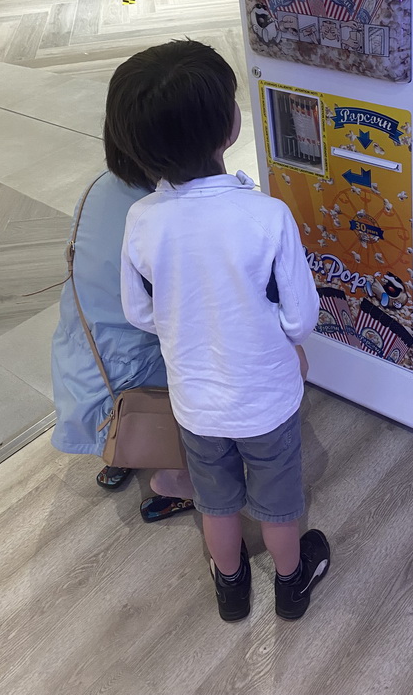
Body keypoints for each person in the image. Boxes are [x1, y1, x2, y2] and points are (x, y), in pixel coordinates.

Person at [107, 39, 329, 622]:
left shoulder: (141, 220)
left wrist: (186, 320)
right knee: (279, 505)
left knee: (217, 500)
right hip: (268, 401)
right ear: (229, 128)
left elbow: (139, 313)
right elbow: (300, 318)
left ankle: (230, 588)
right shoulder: (266, 215)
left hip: (197, 405)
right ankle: (291, 581)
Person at [50, 143, 195, 523]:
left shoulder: (98, 187)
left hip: (85, 356)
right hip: (135, 369)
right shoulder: (166, 214)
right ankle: (180, 478)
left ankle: (123, 449)